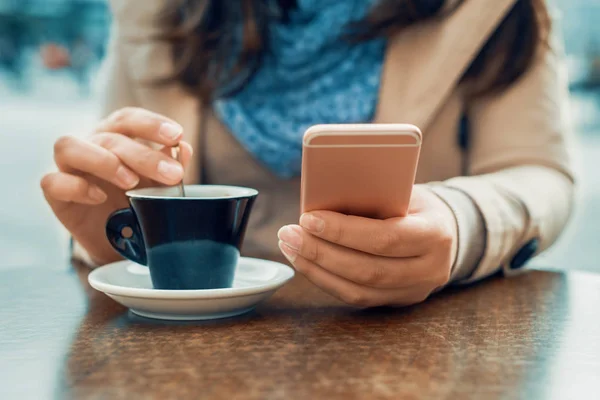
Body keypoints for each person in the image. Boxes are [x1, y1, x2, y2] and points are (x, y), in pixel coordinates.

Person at [41, 0, 576, 308]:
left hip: (410, 343)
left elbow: (539, 171)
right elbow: (127, 176)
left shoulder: (495, 10)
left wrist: (461, 225)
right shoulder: (154, 11)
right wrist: (112, 224)